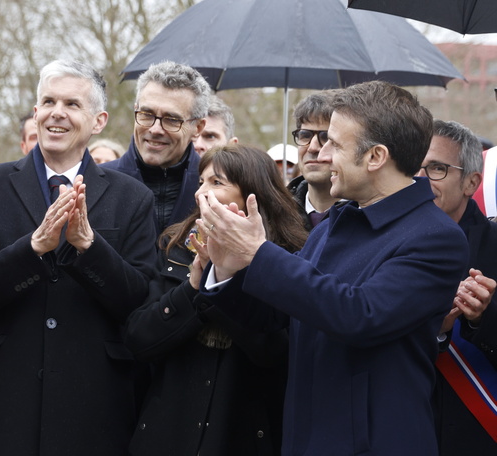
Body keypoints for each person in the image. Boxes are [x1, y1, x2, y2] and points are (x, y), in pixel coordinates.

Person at [198, 81, 469, 455]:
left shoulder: (436, 237)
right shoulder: (336, 223)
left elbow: (361, 315)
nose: (321, 155)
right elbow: (279, 315)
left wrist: (258, 253)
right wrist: (229, 269)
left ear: (375, 157)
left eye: (335, 144)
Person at [0, 59, 159, 456]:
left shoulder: (132, 198)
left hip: (96, 410)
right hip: (4, 407)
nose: (56, 112)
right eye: (48, 101)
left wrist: (90, 248)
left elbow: (139, 301)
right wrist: (33, 248)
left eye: (71, 104)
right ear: (36, 113)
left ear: (98, 121)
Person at [126, 145, 306, 456]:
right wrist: (194, 285)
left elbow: (277, 353)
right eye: (201, 182)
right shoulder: (176, 246)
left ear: (253, 194)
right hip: (168, 432)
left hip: (245, 433)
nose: (202, 194)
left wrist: (225, 279)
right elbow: (140, 339)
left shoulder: (287, 257)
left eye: (217, 183)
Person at [419, 120, 497, 454]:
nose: (420, 180)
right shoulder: (383, 241)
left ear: (471, 182)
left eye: (437, 168)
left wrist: (482, 317)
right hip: (406, 426)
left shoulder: (494, 244)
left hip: (476, 432)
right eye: (415, 167)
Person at [104, 61, 209, 236]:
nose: (155, 129)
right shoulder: (96, 184)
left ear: (197, 128)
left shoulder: (217, 191)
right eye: (146, 114)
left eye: (172, 119)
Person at [288, 91, 337, 228]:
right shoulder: (276, 212)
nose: (312, 148)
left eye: (326, 137)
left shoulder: (366, 213)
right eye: (305, 135)